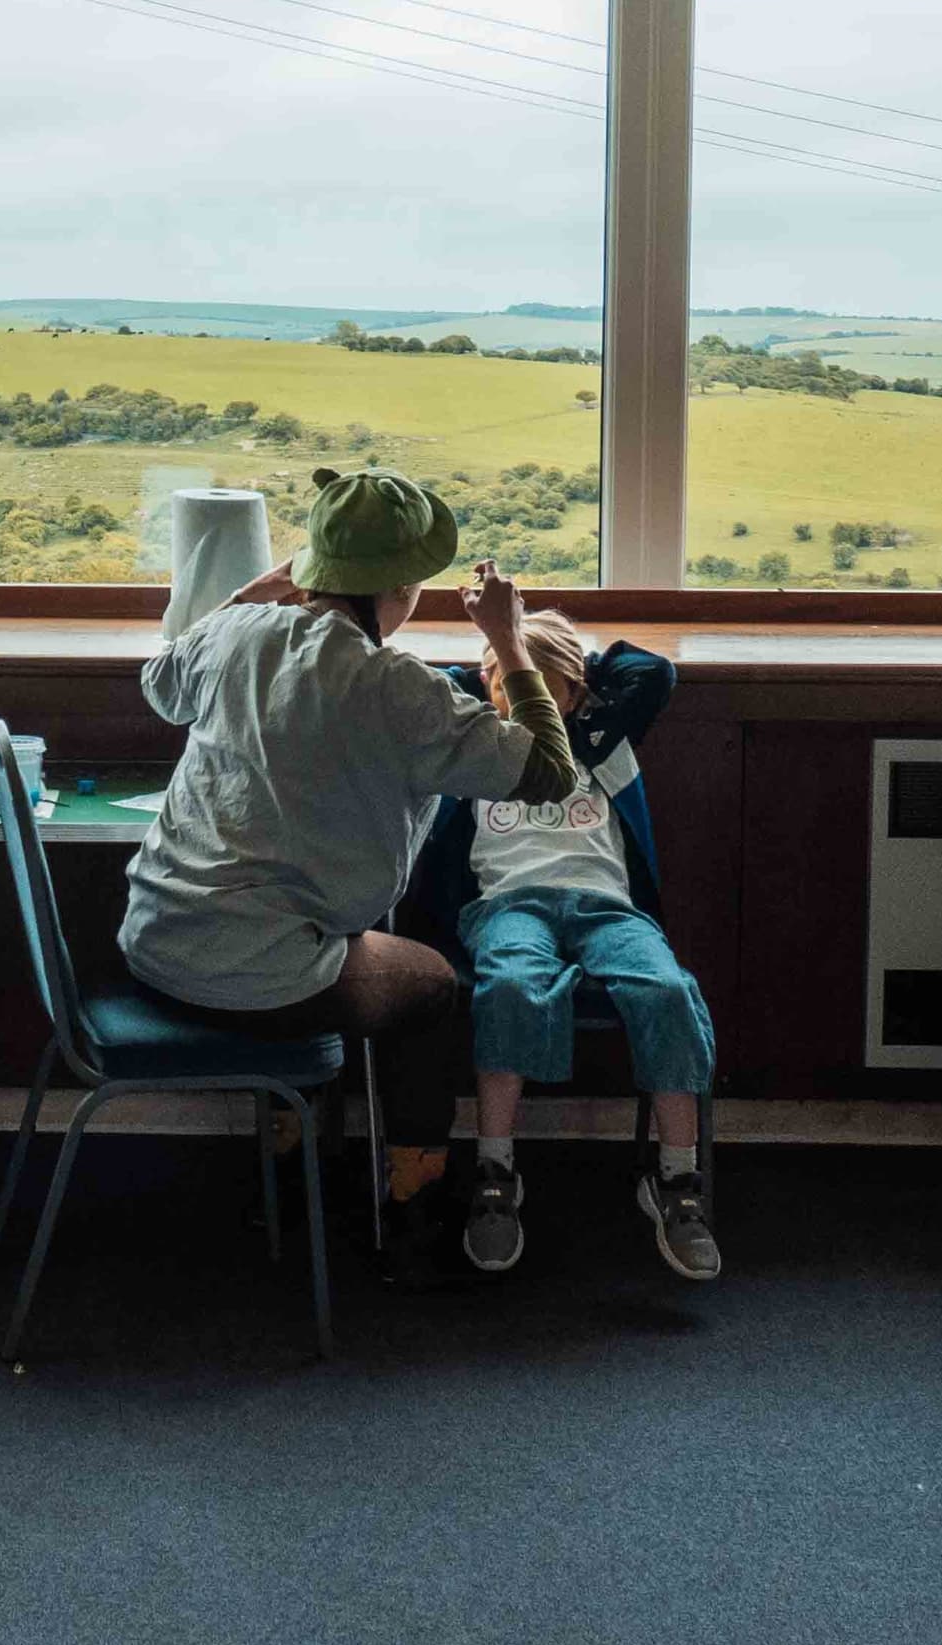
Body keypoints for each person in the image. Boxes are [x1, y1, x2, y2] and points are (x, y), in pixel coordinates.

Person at [120, 465, 580, 1289]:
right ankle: (412, 1204)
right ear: (401, 589)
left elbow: (160, 683)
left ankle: (289, 1171)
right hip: (254, 975)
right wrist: (509, 641)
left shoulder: (238, 635)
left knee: (306, 947)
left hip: (152, 942)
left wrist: (247, 596)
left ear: (312, 574)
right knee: (432, 988)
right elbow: (549, 771)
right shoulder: (399, 688)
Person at [399, 613, 719, 1283]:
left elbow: (652, 672)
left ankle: (677, 1179)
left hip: (608, 908)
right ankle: (496, 1169)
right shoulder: (475, 748)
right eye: (500, 687)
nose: (516, 703)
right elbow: (427, 683)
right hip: (508, 906)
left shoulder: (598, 742)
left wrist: (550, 665)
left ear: (574, 692)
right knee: (511, 988)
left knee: (665, 991)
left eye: (535, 689)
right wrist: (499, 653)